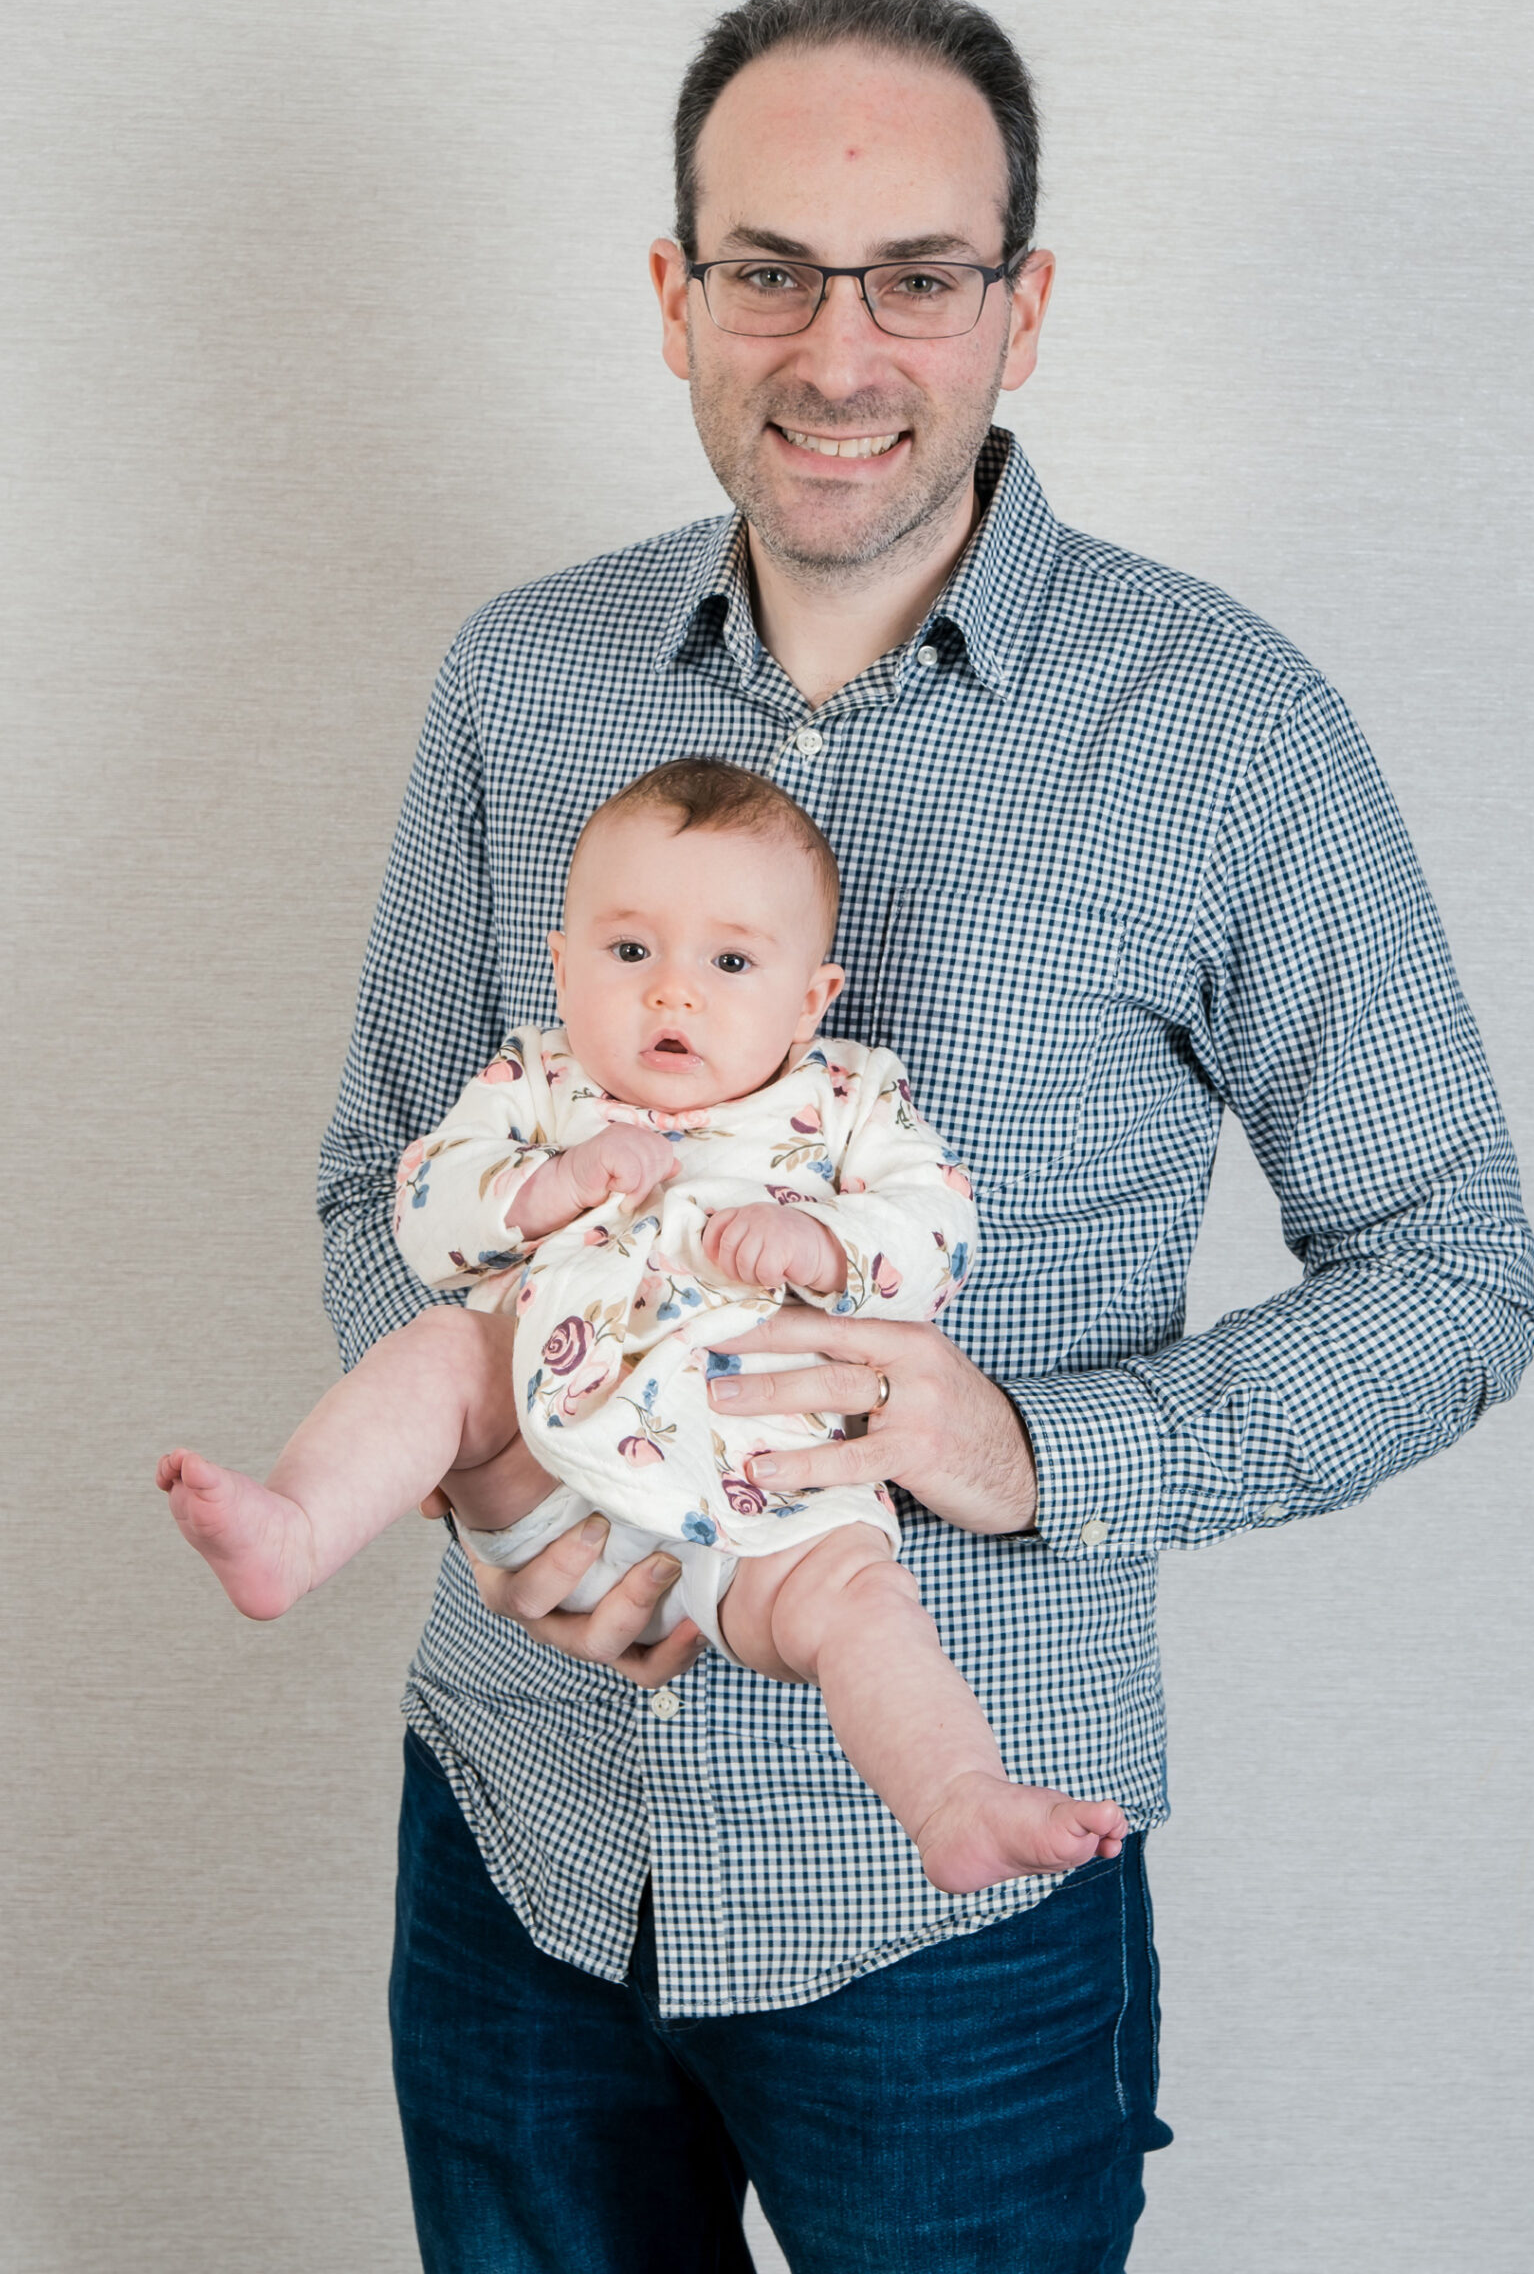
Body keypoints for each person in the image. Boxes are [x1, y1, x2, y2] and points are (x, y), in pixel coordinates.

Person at [319, 0, 1534, 2271]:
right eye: (768, 269)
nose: (838, 350)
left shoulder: (1226, 729)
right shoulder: (516, 679)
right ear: (674, 297)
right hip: (518, 1832)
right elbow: (375, 1167)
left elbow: (1450, 1275)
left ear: (1021, 308)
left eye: (916, 277)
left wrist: (1036, 1444)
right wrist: (481, 1461)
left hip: (941, 1906)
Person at [160, 757, 1125, 1895]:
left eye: (730, 963)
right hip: (545, 1469)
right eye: (629, 952)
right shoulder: (537, 1082)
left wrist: (824, 1245)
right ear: (562, 967)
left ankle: (953, 1795)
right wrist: (548, 1186)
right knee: (445, 1355)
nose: (673, 994)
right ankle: (299, 1529)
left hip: (766, 1496)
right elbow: (419, 1207)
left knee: (860, 1599)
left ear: (811, 1000)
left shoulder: (847, 1100)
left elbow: (939, 1229)